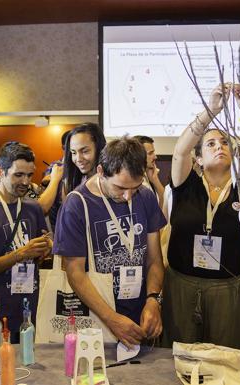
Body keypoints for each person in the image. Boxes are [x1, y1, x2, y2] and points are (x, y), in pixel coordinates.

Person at [162, 83, 240, 349]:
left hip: (230, 288)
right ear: (198, 159)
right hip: (182, 283)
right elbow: (180, 150)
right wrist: (211, 110)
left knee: (227, 358)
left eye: (225, 143)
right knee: (180, 355)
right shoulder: (186, 184)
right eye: (210, 143)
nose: (220, 146)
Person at [54, 137, 166, 348]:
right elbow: (74, 271)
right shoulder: (77, 205)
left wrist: (153, 299)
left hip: (138, 315)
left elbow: (154, 259)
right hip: (96, 319)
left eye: (135, 187)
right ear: (100, 171)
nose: (127, 196)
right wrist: (111, 319)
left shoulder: (146, 197)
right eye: (120, 187)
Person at [0, 141, 52, 343]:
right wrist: (21, 253)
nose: (25, 182)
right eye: (18, 175)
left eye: (30, 175)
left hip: (28, 304)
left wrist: (46, 247)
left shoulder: (33, 208)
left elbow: (43, 247)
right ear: (0, 172)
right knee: (0, 366)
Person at [48, 123, 107, 233]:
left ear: (99, 148)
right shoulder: (70, 183)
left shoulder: (112, 182)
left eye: (85, 151)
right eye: (73, 153)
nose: (78, 159)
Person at [134, 135, 165, 208]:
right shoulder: (135, 184)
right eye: (150, 153)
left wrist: (155, 180)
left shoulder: (147, 175)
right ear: (138, 156)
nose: (155, 157)